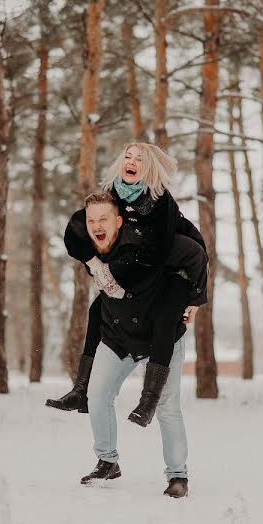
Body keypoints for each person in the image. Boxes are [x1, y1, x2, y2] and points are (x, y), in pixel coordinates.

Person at [46, 142, 207, 424]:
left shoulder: (161, 204)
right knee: (97, 311)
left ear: (150, 169)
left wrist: (195, 299)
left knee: (165, 316)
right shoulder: (113, 197)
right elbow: (77, 229)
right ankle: (81, 389)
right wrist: (96, 266)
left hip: (172, 270)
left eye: (139, 159)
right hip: (136, 270)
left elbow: (181, 254)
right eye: (127, 157)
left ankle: (149, 401)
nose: (130, 162)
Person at [60, 191, 208, 498]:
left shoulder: (149, 247)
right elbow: (73, 231)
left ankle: (178, 475)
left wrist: (196, 298)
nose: (96, 226)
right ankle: (107, 461)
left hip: (161, 336)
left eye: (104, 219)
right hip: (118, 336)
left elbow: (196, 254)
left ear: (118, 222)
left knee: (167, 407)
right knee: (98, 396)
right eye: (91, 221)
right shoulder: (92, 247)